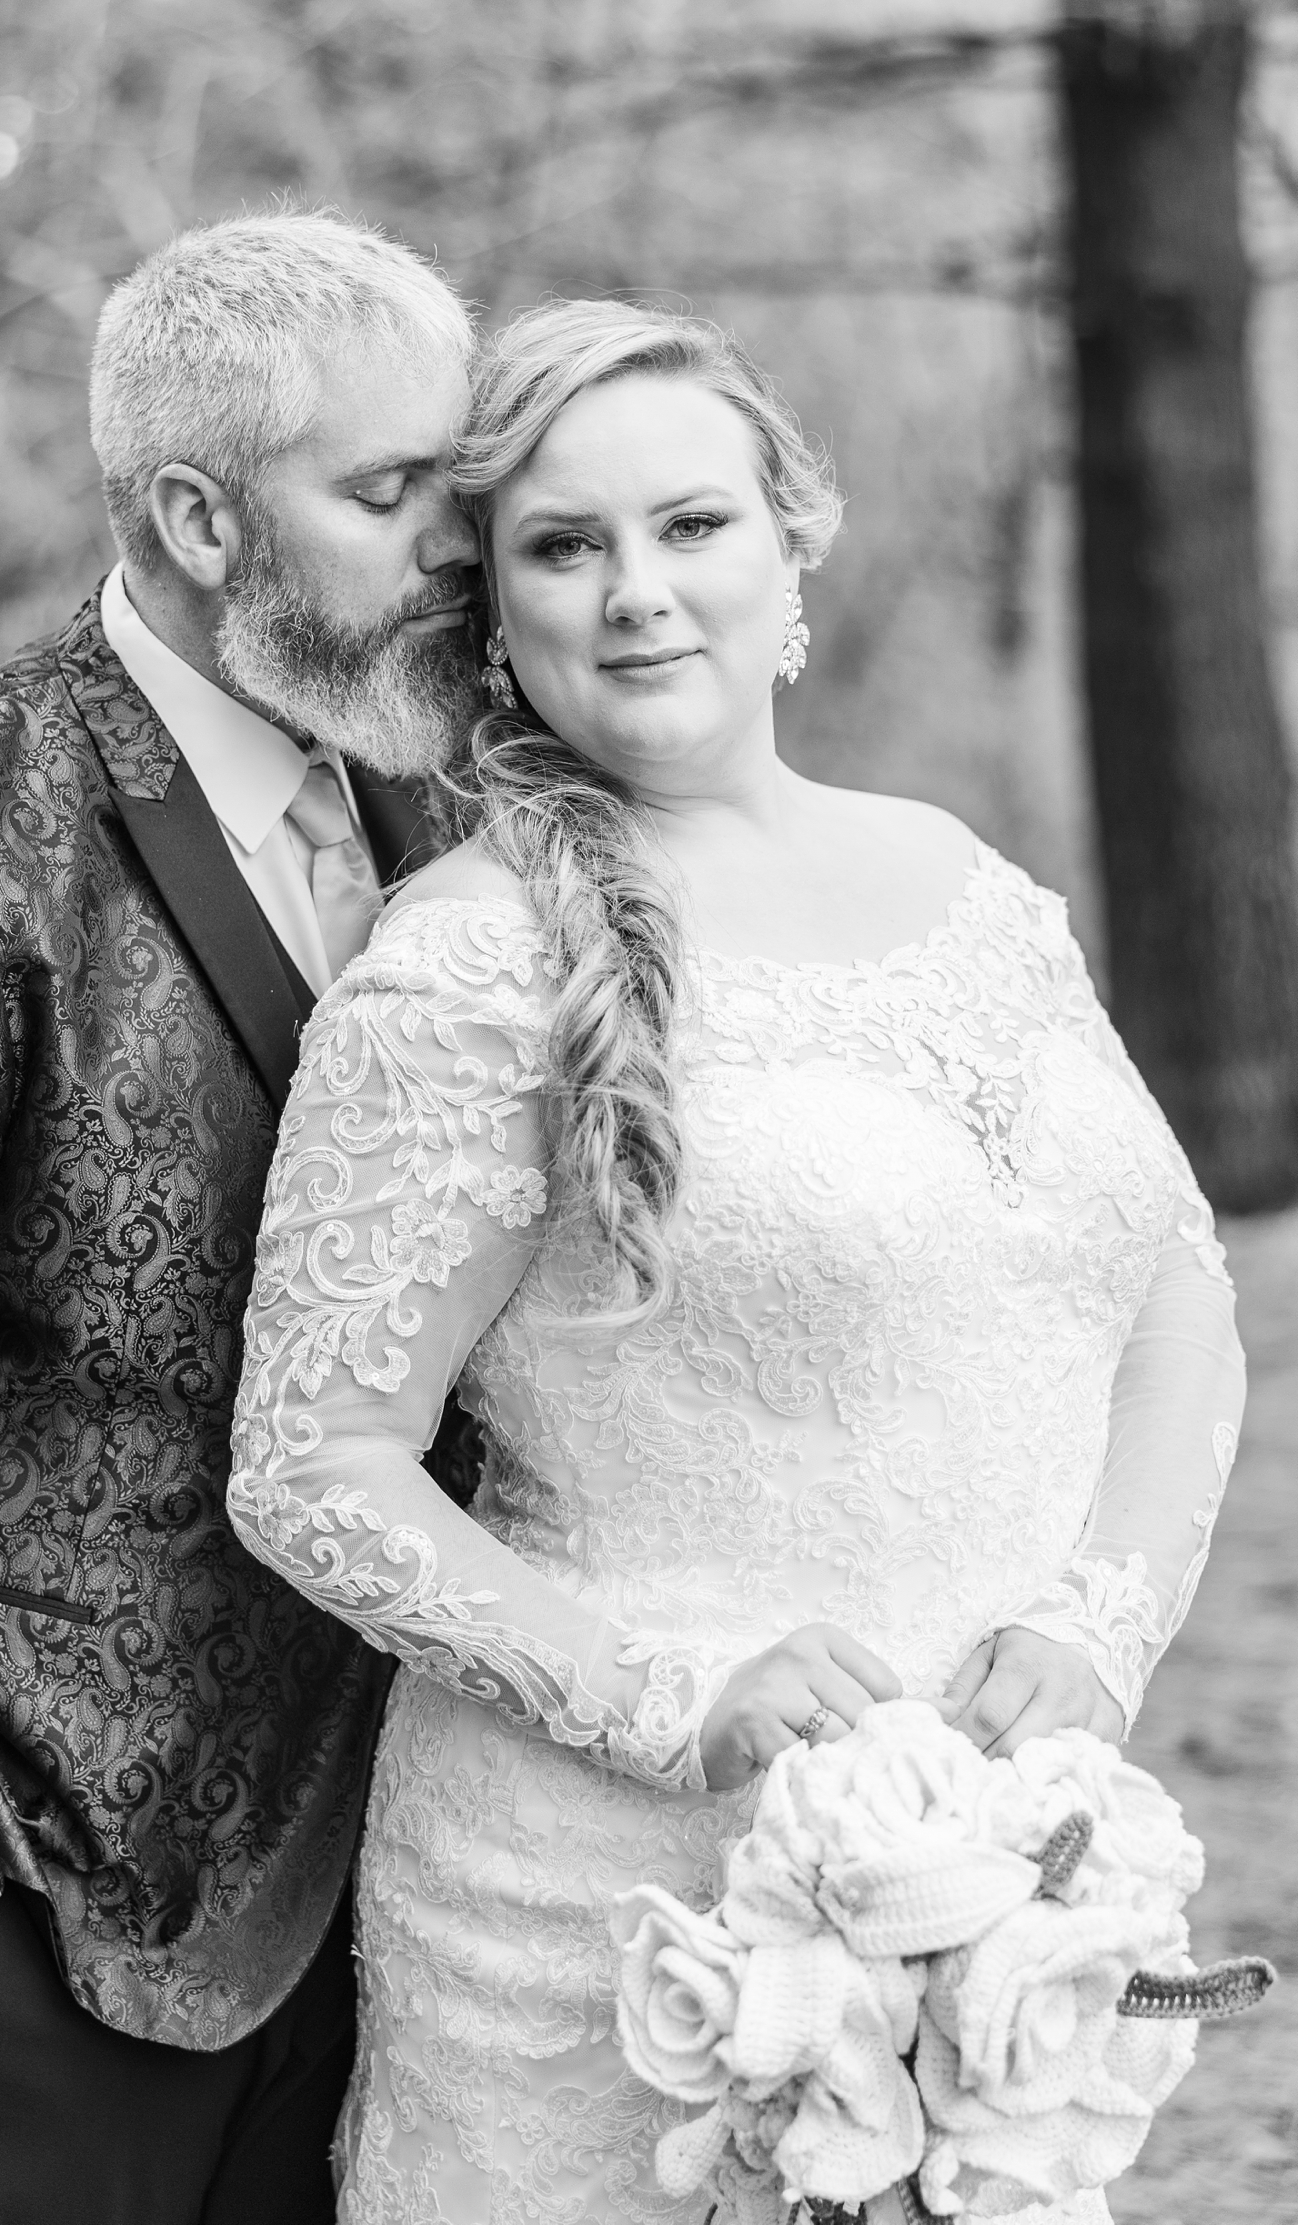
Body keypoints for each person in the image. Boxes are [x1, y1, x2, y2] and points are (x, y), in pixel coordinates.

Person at [227, 298, 1248, 2225]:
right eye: (563, 545)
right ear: (495, 615)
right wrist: (677, 1693)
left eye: (690, 524)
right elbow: (311, 1467)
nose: (637, 592)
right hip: (608, 1936)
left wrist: (1095, 1632)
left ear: (793, 538)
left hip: (990, 1888)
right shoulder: (466, 966)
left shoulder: (969, 885)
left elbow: (1177, 1297)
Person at [0, 207, 483, 2225]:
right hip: (45, 1928)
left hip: (406, 1918)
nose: (448, 550)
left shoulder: (448, 810)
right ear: (195, 514)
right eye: (385, 496)